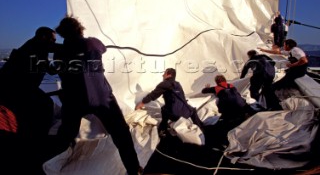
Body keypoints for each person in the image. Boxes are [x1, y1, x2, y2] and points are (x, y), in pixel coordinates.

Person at [53, 15, 142, 175]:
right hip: (101, 98)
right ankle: (134, 169)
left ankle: (49, 164)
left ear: (62, 33)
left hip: (73, 100)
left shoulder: (59, 52)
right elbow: (103, 48)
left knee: (65, 136)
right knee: (121, 134)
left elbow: (59, 69)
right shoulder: (92, 43)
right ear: (79, 28)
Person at [0, 27, 59, 174]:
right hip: (14, 90)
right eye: (52, 39)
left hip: (21, 88)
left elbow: (50, 68)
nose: (54, 43)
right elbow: (50, 69)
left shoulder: (37, 47)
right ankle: (36, 145)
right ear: (43, 38)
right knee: (44, 105)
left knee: (44, 104)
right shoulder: (33, 50)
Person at [135, 68, 203, 135]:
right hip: (185, 113)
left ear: (169, 75)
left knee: (164, 110)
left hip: (174, 115)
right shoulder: (178, 84)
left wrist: (142, 103)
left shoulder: (164, 84)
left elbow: (153, 95)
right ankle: (201, 128)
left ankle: (162, 130)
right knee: (193, 111)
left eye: (164, 73)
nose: (163, 75)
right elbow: (182, 98)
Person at [201, 74, 255, 148]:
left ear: (217, 82)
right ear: (225, 80)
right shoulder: (231, 86)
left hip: (229, 108)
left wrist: (207, 88)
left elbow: (203, 91)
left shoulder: (217, 88)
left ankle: (225, 139)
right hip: (241, 105)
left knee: (226, 122)